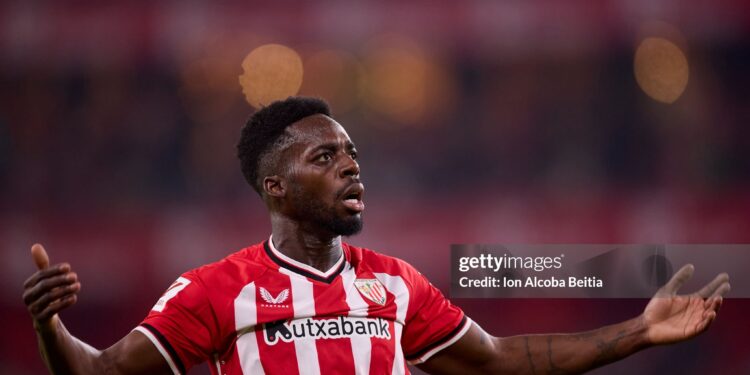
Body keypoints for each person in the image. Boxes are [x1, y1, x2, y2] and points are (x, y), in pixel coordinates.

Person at [23, 96, 730, 375]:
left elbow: (498, 360)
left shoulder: (393, 282)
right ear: (275, 186)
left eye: (353, 152)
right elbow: (96, 373)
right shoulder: (217, 289)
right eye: (324, 157)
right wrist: (51, 326)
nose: (351, 166)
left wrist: (639, 328)